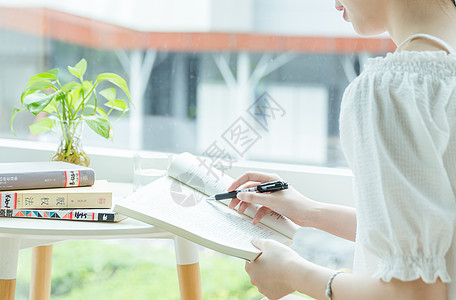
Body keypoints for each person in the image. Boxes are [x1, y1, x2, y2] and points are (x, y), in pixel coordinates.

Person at [228, 0, 456, 299]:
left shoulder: (393, 89)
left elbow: (414, 293)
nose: (335, 2)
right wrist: (311, 212)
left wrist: (293, 273)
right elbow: (441, 239)